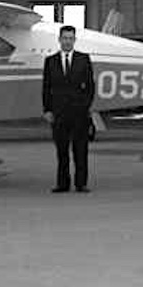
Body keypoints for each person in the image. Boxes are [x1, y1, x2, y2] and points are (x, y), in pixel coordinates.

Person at [43, 24, 95, 193]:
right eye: (64, 38)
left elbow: (90, 87)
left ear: (74, 40)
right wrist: (47, 110)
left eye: (70, 38)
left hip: (79, 113)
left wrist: (85, 107)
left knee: (80, 150)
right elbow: (46, 88)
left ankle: (81, 183)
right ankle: (62, 183)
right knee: (62, 151)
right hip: (58, 114)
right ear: (59, 40)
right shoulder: (50, 61)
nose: (67, 41)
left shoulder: (83, 59)